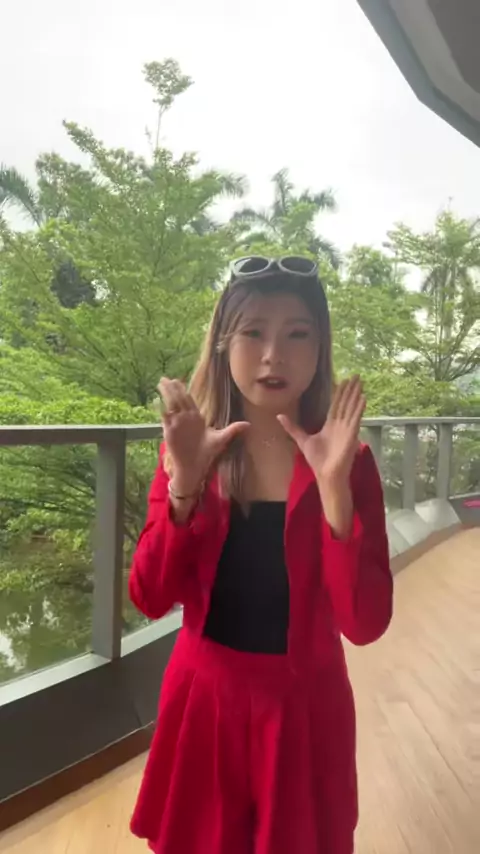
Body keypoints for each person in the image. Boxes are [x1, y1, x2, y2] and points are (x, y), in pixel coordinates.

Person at [128, 255, 393, 854]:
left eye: (297, 334)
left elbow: (364, 623)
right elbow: (149, 597)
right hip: (205, 703)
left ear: (320, 348)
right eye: (253, 332)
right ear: (224, 343)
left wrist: (333, 491)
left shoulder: (351, 463)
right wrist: (184, 484)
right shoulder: (191, 448)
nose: (274, 355)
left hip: (306, 711)